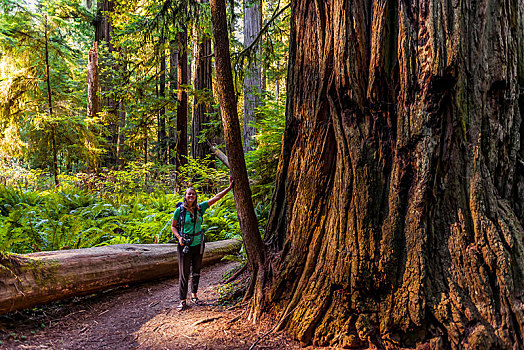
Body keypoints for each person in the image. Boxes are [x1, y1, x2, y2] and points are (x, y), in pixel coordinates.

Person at [172, 179, 234, 311]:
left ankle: (194, 296)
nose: (191, 196)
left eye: (193, 194)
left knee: (196, 271)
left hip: (198, 244)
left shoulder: (200, 208)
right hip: (184, 245)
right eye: (188, 194)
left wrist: (229, 188)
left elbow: (216, 197)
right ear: (185, 196)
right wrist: (179, 237)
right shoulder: (180, 210)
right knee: (184, 273)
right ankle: (182, 300)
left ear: (195, 197)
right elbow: (173, 226)